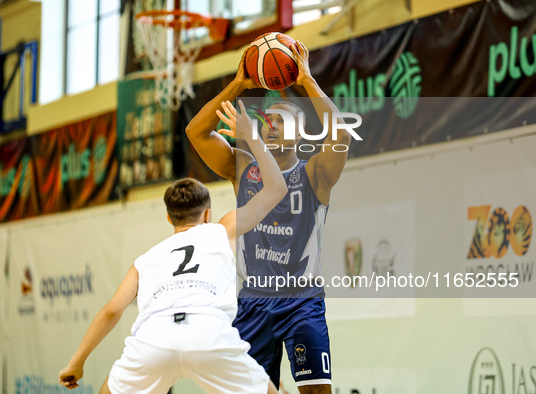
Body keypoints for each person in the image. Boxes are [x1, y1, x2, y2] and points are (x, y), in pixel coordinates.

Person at [59, 100, 286, 394]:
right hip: (208, 333)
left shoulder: (145, 260)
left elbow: (111, 311)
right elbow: (277, 189)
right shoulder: (221, 230)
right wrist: (252, 136)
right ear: (207, 214)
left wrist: (76, 362)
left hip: (154, 336)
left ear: (169, 217)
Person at [186, 41, 351, 393]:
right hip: (252, 302)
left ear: (299, 132)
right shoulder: (242, 166)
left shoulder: (315, 174)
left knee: (318, 391)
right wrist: (239, 84)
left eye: (281, 120)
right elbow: (195, 132)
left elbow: (340, 135)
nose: (271, 125)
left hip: (300, 299)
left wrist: (306, 80)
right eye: (267, 119)